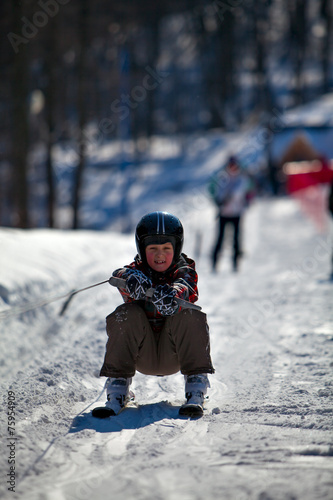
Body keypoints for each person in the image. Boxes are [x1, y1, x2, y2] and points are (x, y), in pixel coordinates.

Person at [99, 211, 215, 416]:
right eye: (153, 249)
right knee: (125, 313)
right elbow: (119, 274)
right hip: (141, 353)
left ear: (176, 248)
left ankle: (196, 386)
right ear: (142, 249)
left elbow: (185, 286)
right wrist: (130, 278)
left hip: (175, 353)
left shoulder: (185, 270)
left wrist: (173, 294)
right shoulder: (137, 271)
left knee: (189, 315)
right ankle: (118, 388)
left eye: (166, 249)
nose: (160, 255)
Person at [209, 156, 253, 272]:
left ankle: (235, 264)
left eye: (234, 165)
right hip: (224, 214)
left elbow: (247, 192)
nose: (233, 168)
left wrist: (246, 201)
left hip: (237, 213)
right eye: (231, 165)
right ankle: (214, 264)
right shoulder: (222, 178)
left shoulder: (242, 179)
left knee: (236, 239)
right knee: (220, 239)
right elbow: (215, 193)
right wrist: (220, 202)